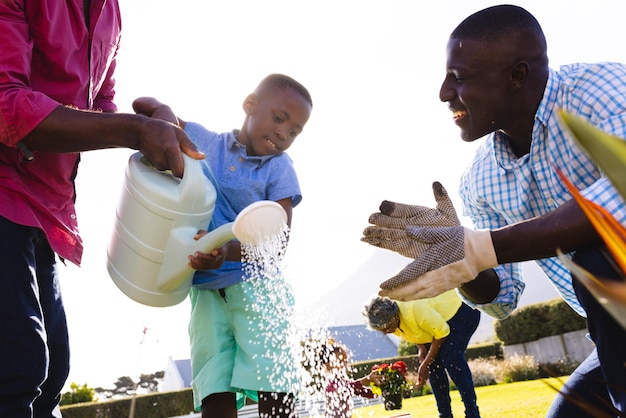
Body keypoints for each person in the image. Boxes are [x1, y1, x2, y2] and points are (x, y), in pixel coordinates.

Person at [361, 5, 626, 417]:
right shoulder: (479, 179)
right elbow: (500, 297)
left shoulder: (600, 88)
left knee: (604, 256)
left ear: (517, 75)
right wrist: (463, 261)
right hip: (615, 334)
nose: (444, 92)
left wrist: (480, 248)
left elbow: (619, 203)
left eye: (459, 77)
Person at [0, 1, 203, 417]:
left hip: (45, 209)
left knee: (52, 373)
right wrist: (135, 130)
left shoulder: (111, 12)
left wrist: (153, 124)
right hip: (4, 192)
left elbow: (97, 106)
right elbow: (6, 105)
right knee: (17, 368)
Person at [133, 73, 313, 418]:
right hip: (205, 292)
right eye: (278, 118)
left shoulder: (278, 169)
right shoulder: (204, 142)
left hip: (258, 290)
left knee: (272, 383)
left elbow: (277, 242)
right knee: (213, 384)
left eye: (294, 131)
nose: (283, 134)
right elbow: (144, 107)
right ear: (250, 105)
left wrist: (227, 253)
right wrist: (163, 112)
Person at [363, 292, 481, 418]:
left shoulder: (414, 308)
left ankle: (472, 412)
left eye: (385, 328)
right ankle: (444, 414)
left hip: (462, 313)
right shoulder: (392, 323)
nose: (385, 332)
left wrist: (425, 364)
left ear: (393, 317)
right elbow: (412, 332)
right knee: (434, 366)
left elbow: (442, 333)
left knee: (451, 358)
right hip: (441, 323)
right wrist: (421, 348)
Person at [315, 341, 379, 418]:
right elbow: (345, 389)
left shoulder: (344, 381)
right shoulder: (330, 383)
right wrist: (367, 379)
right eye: (339, 362)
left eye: (345, 361)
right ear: (327, 365)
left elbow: (367, 393)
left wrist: (381, 387)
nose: (344, 365)